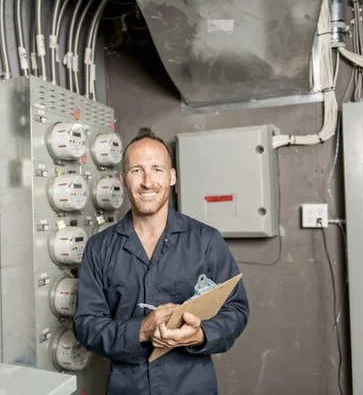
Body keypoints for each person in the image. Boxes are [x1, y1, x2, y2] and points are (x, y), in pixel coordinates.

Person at [73, 127, 249, 394]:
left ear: (172, 176)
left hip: (192, 386)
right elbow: (86, 325)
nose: (147, 181)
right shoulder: (100, 248)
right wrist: (141, 331)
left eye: (157, 169)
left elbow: (235, 311)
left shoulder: (206, 240)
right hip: (127, 387)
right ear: (123, 178)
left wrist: (199, 334)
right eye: (136, 170)